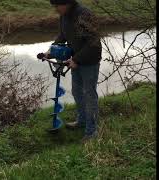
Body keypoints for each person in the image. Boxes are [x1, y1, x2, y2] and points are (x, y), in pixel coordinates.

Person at [44, 0, 102, 142]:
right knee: (76, 92)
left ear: (66, 3)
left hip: (89, 61)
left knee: (89, 95)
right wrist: (51, 51)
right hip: (76, 60)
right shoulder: (64, 15)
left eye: (57, 6)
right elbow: (63, 35)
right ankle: (82, 120)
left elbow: (93, 43)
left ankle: (92, 131)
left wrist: (76, 59)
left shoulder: (84, 14)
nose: (56, 9)